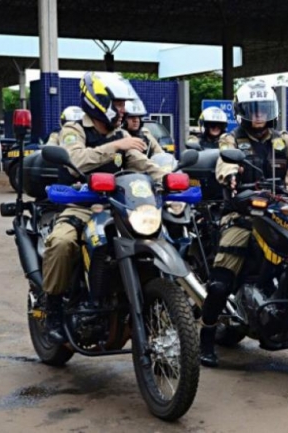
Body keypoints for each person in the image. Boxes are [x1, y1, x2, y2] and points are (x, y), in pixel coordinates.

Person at [199, 80, 288, 367]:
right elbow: (224, 162)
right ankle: (206, 336)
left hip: (279, 210)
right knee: (221, 280)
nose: (258, 117)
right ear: (242, 112)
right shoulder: (231, 140)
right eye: (253, 110)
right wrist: (229, 175)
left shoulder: (281, 139)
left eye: (263, 110)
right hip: (242, 214)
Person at [41, 71, 167, 343]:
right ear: (99, 101)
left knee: (160, 236)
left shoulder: (120, 133)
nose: (123, 110)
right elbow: (78, 160)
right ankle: (52, 308)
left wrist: (168, 178)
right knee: (61, 243)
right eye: (118, 104)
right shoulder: (74, 129)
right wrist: (116, 146)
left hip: (120, 207)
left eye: (123, 104)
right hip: (81, 205)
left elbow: (138, 162)